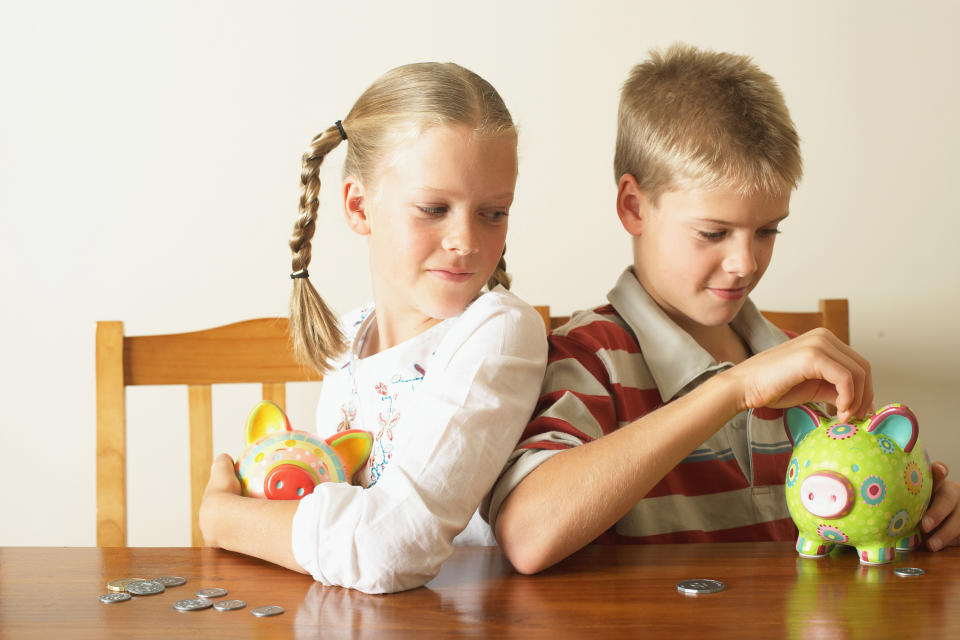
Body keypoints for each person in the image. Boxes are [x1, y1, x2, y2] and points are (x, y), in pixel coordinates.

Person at [486, 44, 960, 574]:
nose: (745, 262)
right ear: (633, 207)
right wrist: (733, 389)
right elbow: (527, 535)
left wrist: (920, 511)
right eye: (713, 233)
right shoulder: (589, 359)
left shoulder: (797, 363)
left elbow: (853, 535)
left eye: (767, 231)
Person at [199, 62, 548, 593]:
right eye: (434, 208)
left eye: (493, 213)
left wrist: (224, 518)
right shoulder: (349, 337)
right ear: (359, 206)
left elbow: (392, 549)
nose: (466, 241)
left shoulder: (499, 333)